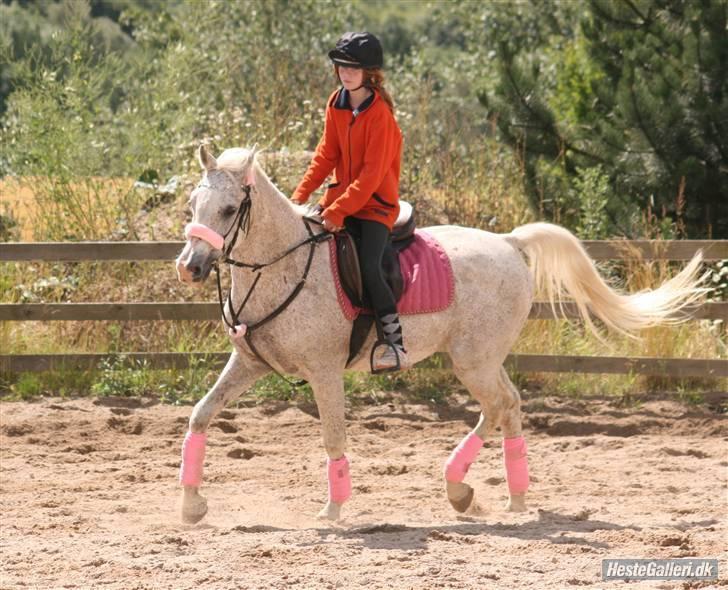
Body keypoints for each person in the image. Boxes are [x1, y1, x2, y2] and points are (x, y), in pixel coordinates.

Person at [291, 31, 408, 372]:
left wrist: (338, 210)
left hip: (374, 207)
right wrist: (297, 198)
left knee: (370, 267)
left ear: (370, 73)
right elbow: (325, 155)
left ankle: (394, 343)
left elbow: (371, 177)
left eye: (353, 68)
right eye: (341, 65)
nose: (345, 72)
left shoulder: (380, 115)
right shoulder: (335, 102)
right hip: (339, 200)